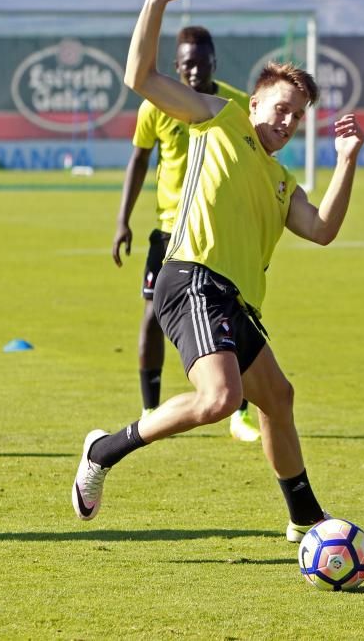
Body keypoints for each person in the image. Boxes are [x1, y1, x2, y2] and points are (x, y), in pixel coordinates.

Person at [73, 0, 364, 544]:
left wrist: (348, 160)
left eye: (298, 116)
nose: (287, 122)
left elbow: (324, 228)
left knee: (277, 398)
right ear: (253, 104)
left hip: (234, 299)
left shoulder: (282, 181)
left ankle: (305, 516)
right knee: (220, 398)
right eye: (281, 108)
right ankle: (104, 450)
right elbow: (140, 74)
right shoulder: (219, 118)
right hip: (192, 280)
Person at [112, 24, 262, 443]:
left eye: (202, 63)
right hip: (168, 231)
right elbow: (139, 160)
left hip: (217, 228)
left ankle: (242, 413)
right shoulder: (155, 106)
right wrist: (123, 219)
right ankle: (149, 406)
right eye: (187, 64)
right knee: (151, 316)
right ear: (176, 66)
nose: (195, 71)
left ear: (214, 62)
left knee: (238, 316)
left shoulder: (232, 104)